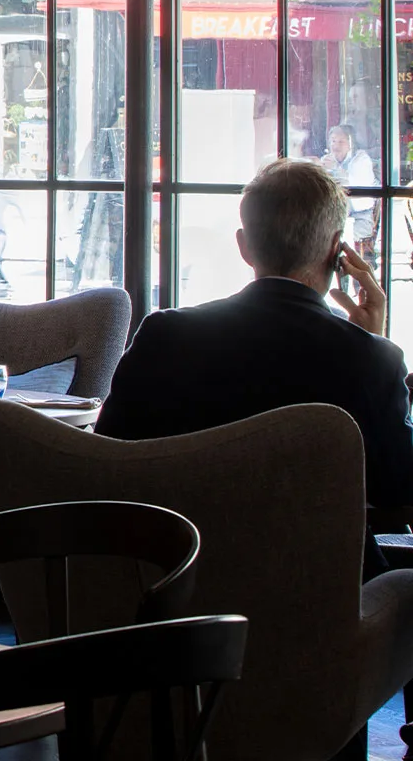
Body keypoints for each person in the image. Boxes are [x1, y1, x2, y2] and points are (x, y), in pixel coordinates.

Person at [97, 159, 413, 551]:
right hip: (320, 580)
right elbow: (396, 491)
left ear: (244, 246)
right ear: (337, 251)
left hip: (177, 572)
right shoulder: (371, 360)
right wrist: (370, 343)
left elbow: (109, 460)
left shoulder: (163, 336)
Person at [320, 123, 380, 251]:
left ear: (351, 144)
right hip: (335, 218)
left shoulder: (361, 160)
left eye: (341, 141)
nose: (335, 146)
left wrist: (336, 169)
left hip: (360, 218)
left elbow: (355, 186)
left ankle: (343, 262)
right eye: (333, 141)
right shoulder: (327, 161)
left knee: (335, 238)